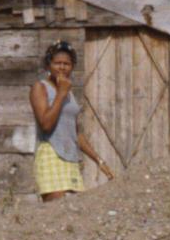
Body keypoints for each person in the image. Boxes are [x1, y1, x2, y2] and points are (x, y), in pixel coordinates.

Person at [31, 40, 114, 201]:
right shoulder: (40, 88)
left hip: (70, 157)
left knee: (73, 211)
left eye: (67, 64)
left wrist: (99, 160)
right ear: (48, 65)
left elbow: (76, 133)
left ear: (72, 67)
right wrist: (61, 93)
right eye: (57, 63)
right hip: (51, 154)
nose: (62, 67)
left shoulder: (69, 93)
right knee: (56, 212)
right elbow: (45, 125)